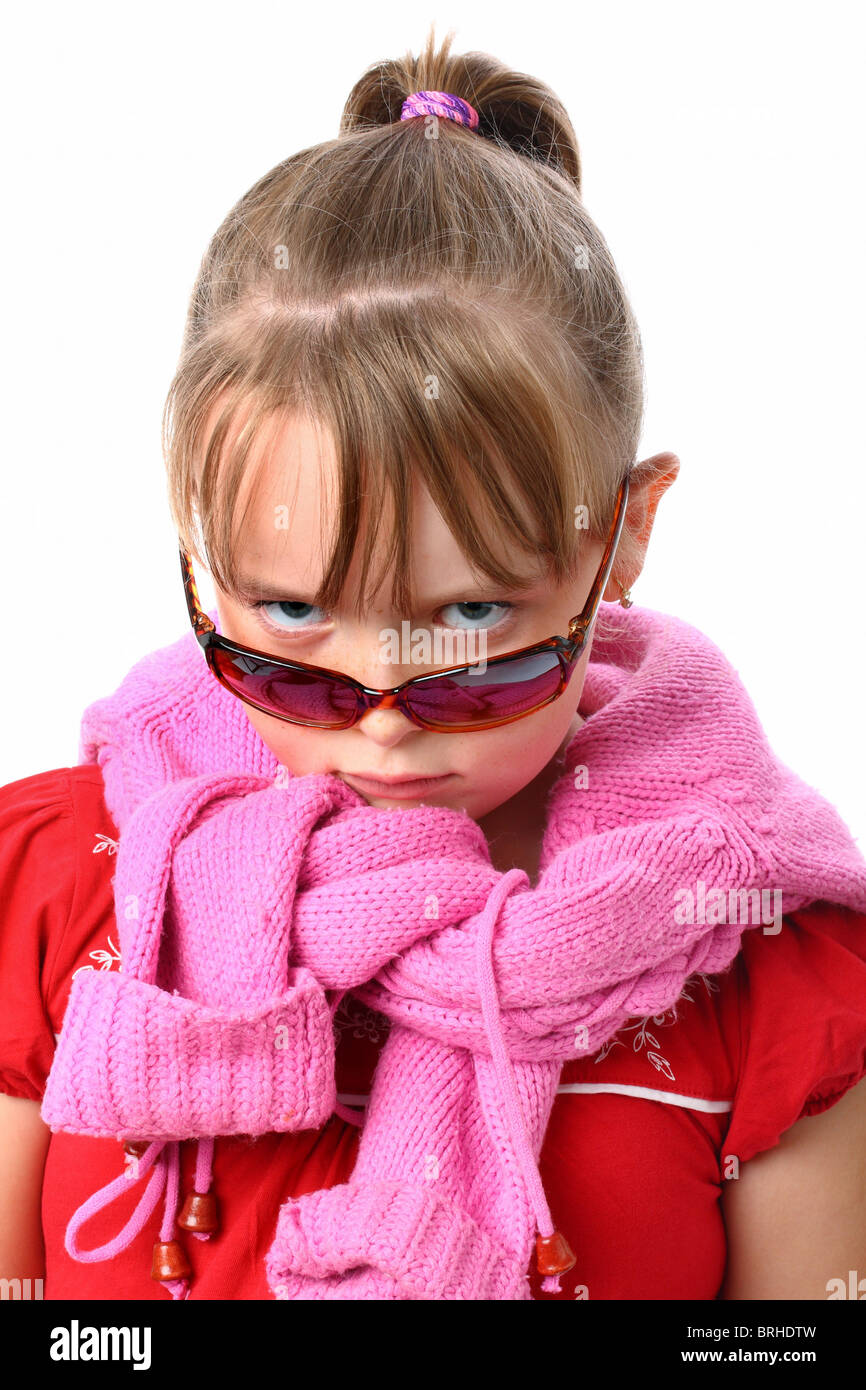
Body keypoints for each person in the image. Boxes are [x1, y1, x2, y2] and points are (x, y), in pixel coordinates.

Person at [2, 26, 865, 1303]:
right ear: (200, 561)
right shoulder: (71, 890)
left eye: (470, 625)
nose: (382, 723)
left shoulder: (753, 953)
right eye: (289, 623)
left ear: (623, 534)